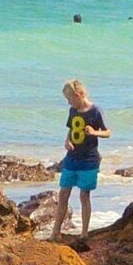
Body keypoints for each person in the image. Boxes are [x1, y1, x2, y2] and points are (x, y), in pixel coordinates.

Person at [51, 80, 109, 235]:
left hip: (89, 160)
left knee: (84, 195)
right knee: (63, 193)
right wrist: (67, 140)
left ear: (79, 95)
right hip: (71, 158)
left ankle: (84, 232)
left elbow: (107, 132)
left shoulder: (95, 111)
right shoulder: (73, 111)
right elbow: (71, 130)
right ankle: (55, 232)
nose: (69, 103)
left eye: (70, 99)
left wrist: (95, 132)